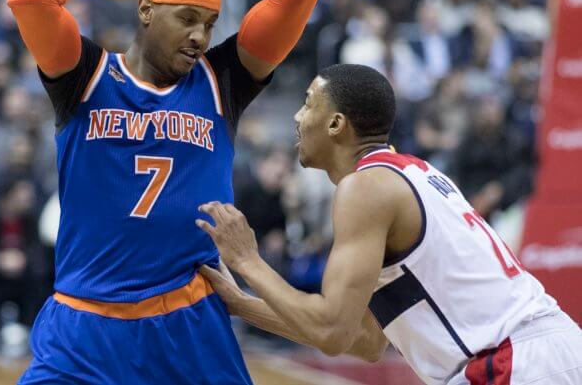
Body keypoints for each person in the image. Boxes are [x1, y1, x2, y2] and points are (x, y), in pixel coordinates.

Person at [6, 0, 322, 384]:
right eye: (187, 18)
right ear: (147, 9)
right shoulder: (84, 76)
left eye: (209, 25)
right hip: (82, 328)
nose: (200, 36)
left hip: (187, 321)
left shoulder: (222, 82)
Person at [198, 64, 582, 385]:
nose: (298, 118)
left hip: (516, 364)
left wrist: (249, 261)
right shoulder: (407, 174)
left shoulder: (365, 187)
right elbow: (363, 340)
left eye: (307, 104)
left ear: (335, 124)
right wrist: (241, 304)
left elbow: (331, 331)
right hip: (546, 350)